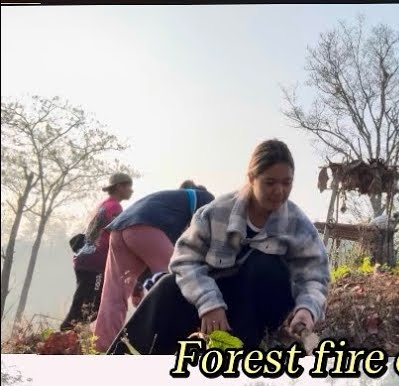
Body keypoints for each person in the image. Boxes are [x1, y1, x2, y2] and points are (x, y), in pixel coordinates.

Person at [108, 140, 328, 355]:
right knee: (168, 285)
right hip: (214, 302)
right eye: (270, 183)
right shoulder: (216, 212)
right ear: (252, 178)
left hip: (258, 309)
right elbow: (184, 260)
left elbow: (315, 277)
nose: (279, 191)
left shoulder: (299, 225)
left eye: (287, 183)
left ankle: (241, 354)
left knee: (264, 264)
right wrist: (209, 303)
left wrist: (307, 310)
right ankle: (124, 360)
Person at [92, 183, 216, 353]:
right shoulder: (207, 199)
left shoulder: (169, 201)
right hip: (144, 226)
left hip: (120, 227)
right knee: (177, 284)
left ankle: (102, 346)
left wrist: (137, 286)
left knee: (114, 293)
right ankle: (169, 342)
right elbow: (202, 240)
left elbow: (151, 251)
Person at [61, 172, 133, 331]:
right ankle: (65, 334)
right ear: (119, 187)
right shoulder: (114, 207)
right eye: (128, 186)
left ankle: (70, 334)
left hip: (85, 259)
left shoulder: (103, 205)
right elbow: (120, 231)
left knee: (88, 302)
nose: (131, 190)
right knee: (90, 304)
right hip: (94, 262)